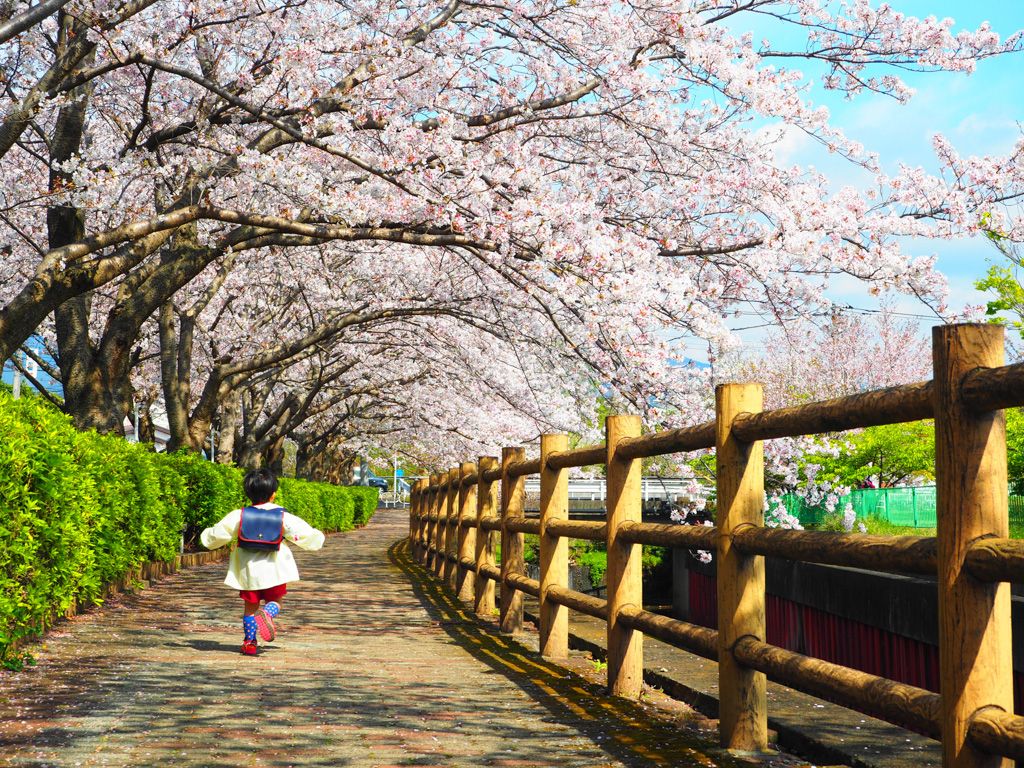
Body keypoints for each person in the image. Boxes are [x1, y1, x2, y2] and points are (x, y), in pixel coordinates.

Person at [200, 468, 325, 656]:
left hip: (247, 569)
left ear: (248, 493)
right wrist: (317, 538)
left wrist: (206, 538)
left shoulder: (239, 515)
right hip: (275, 569)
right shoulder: (283, 516)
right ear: (273, 494)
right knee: (276, 601)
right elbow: (305, 535)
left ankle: (249, 643)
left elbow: (217, 536)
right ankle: (267, 613)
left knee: (250, 608)